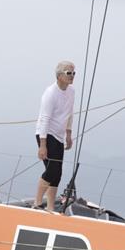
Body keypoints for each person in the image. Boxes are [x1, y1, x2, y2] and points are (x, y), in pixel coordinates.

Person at [34, 60, 75, 212]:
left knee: (58, 173)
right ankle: (37, 203)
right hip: (45, 134)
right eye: (68, 73)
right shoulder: (50, 93)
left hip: (58, 135)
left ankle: (50, 207)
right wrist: (42, 146)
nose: (72, 76)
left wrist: (68, 134)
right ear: (59, 76)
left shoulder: (71, 92)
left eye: (73, 73)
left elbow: (70, 114)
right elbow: (44, 119)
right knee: (51, 170)